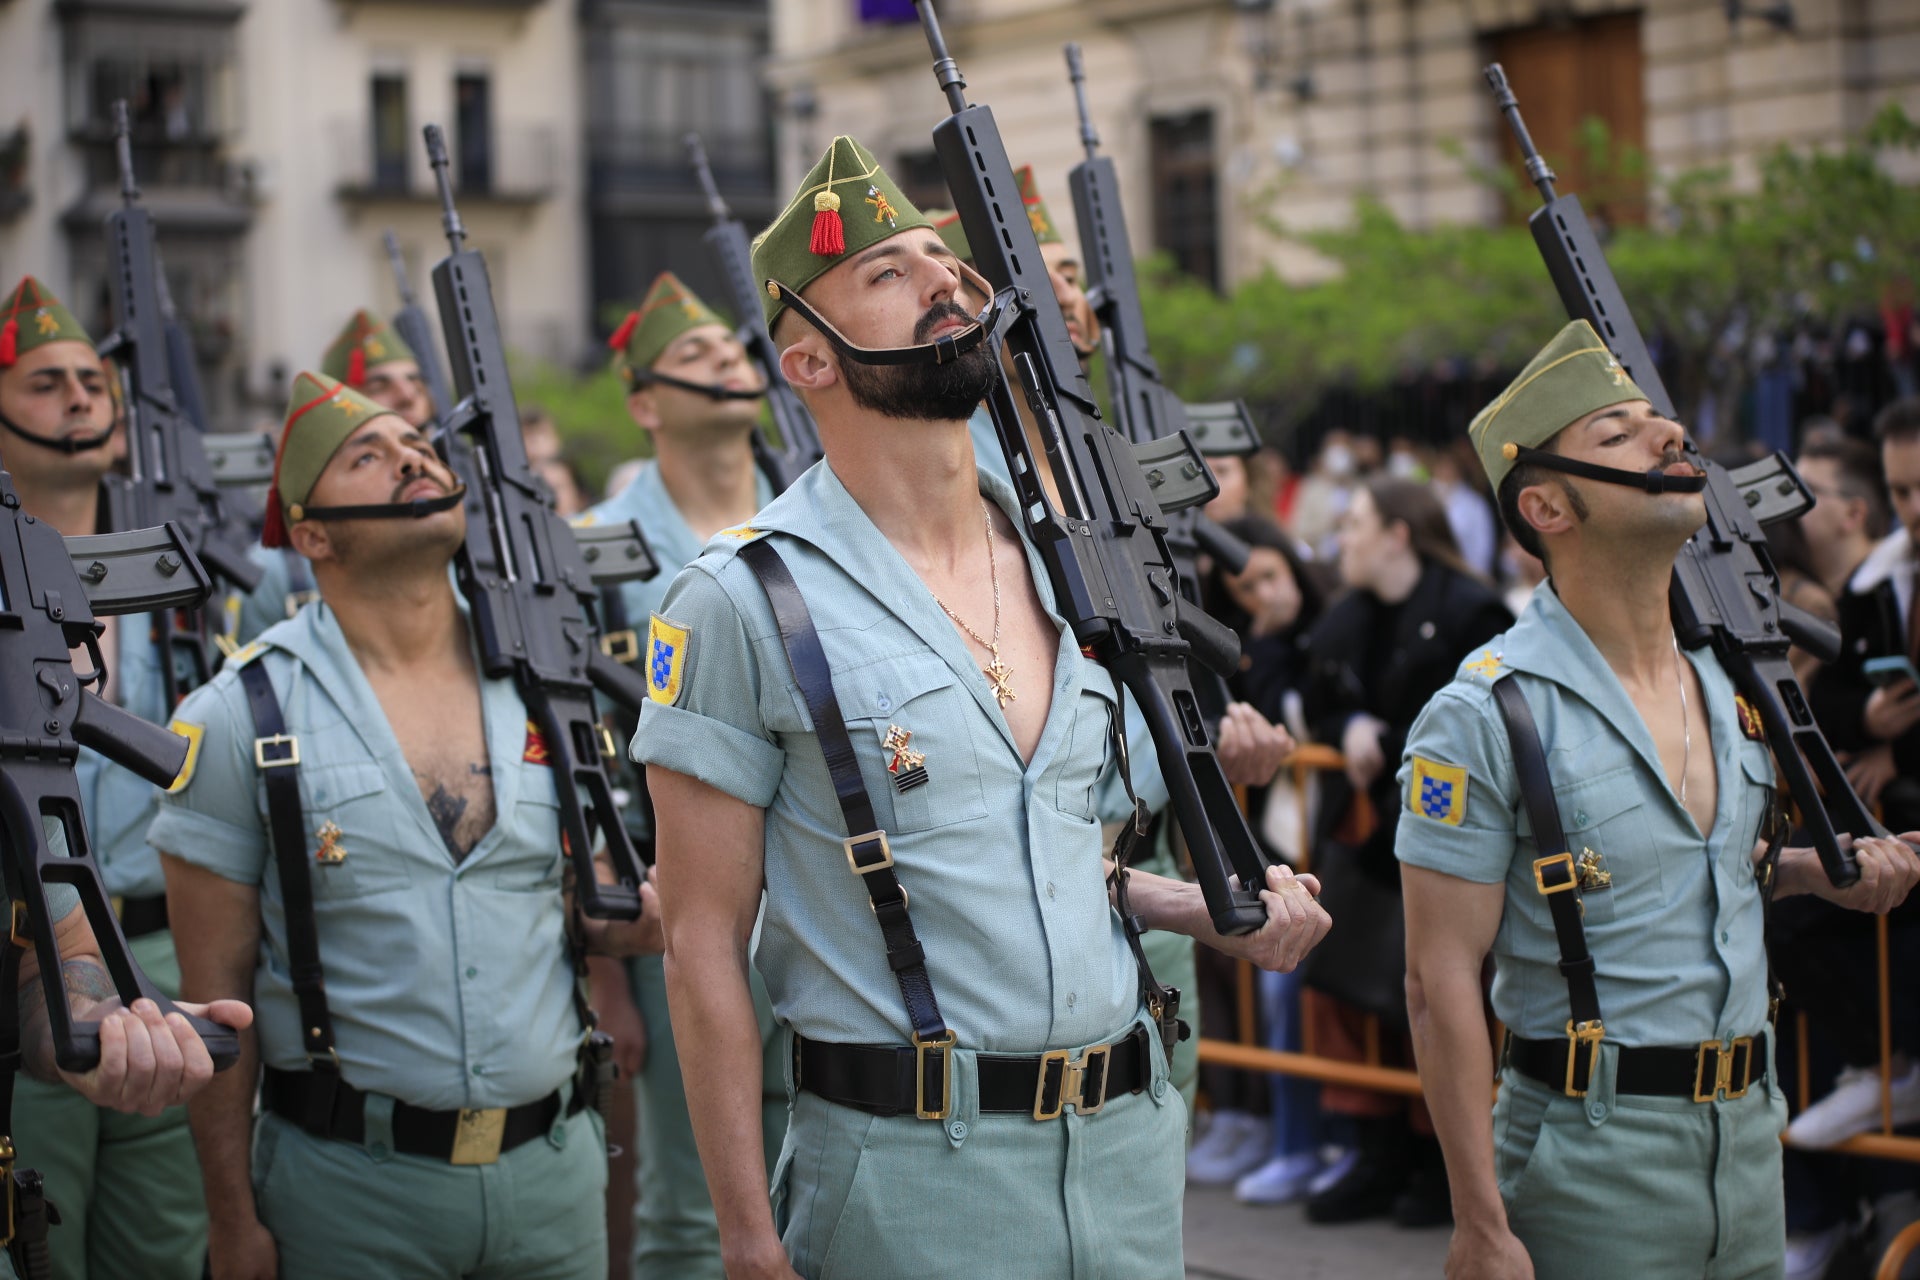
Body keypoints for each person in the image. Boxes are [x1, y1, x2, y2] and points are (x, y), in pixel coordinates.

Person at [637, 136, 1330, 1280]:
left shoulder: (1075, 559)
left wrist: (1202, 899)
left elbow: (1057, 846)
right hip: (909, 1177)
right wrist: (746, 1238)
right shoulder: (740, 598)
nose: (943, 283)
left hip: (1124, 1152)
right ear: (808, 361)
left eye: (941, 261)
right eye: (889, 274)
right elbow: (702, 939)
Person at [1398, 320, 1920, 1280]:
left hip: (1749, 1142)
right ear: (1547, 506)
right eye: (1617, 434)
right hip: (1589, 1164)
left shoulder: (1728, 685)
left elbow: (1706, 866)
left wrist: (1819, 875)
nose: (1670, 436)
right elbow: (1437, 985)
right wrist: (1480, 1221)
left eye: (1660, 420)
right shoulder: (1483, 713)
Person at [152, 372, 661, 1280]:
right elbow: (215, 999)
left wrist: (638, 920)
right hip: (349, 1194)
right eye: (368, 456)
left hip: (553, 1177)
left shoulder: (545, 682)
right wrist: (231, 1221)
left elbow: (581, 907)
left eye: (417, 446)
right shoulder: (238, 713)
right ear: (310, 534)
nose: (411, 458)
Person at [0, 274, 251, 1280]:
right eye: (45, 382)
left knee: (164, 1245)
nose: (77, 397)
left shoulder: (181, 565)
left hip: (177, 948)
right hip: (32, 961)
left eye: (90, 379)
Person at [574, 271, 785, 1280]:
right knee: (692, 1214)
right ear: (645, 401)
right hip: (673, 902)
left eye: (733, 351)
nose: (726, 364)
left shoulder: (824, 513)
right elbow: (568, 764)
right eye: (694, 358)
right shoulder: (589, 553)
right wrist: (603, 965)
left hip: (825, 888)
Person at [1298, 476, 1512, 1228]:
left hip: (1445, 839)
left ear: (1397, 534)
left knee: (1441, 993)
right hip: (1365, 840)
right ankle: (1379, 1153)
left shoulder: (1470, 611)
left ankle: (1438, 1166)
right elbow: (1317, 694)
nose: (1340, 539)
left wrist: (1384, 741)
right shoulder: (1349, 613)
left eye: (1353, 522)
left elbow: (1476, 722)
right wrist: (1348, 722)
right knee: (1360, 998)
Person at [232, 309, 439, 646]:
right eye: (379, 384)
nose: (407, 396)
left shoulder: (464, 519)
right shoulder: (277, 570)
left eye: (415, 381)